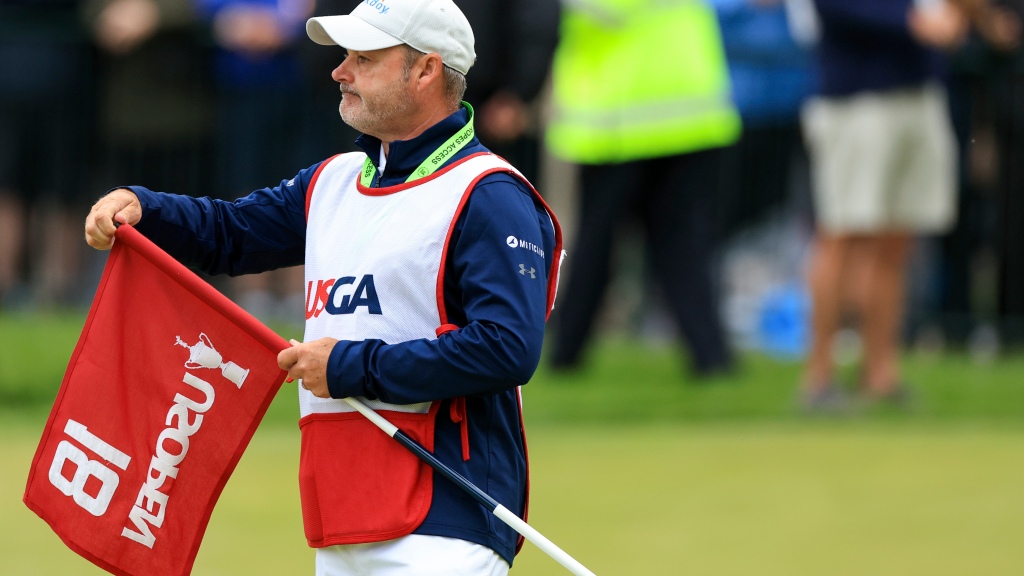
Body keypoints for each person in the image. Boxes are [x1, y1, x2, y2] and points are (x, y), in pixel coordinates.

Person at [83, 0, 562, 573]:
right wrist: (147, 208)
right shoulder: (333, 180)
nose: (340, 70)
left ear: (426, 71)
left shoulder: (488, 192)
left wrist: (349, 366)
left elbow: (506, 348)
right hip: (339, 512)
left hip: (446, 514)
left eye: (364, 58)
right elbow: (230, 234)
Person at [545, 0, 741, 378]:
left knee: (599, 248)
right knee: (683, 249)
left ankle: (566, 356)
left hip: (618, 118)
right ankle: (710, 357)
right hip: (688, 111)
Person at [801, 0, 971, 408]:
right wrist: (913, 23)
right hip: (856, 101)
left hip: (919, 94)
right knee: (842, 235)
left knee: (895, 243)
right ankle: (819, 379)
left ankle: (880, 375)